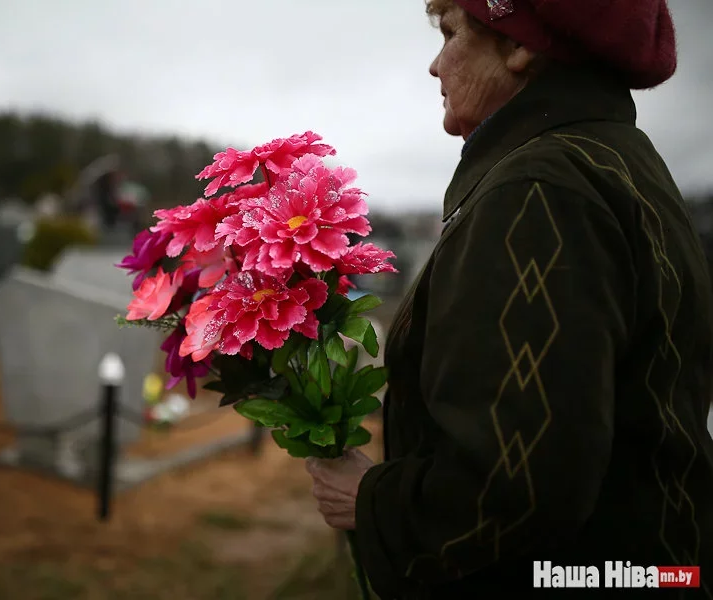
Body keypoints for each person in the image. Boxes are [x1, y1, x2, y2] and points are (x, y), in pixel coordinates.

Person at [304, 1, 713, 597]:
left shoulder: (537, 191)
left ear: (520, 45)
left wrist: (372, 500)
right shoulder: (621, 161)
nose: (435, 66)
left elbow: (517, 485)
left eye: (450, 34)